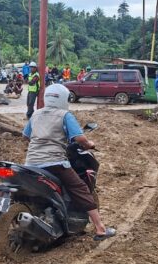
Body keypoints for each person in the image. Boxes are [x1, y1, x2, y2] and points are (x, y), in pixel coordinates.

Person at [22, 84, 116, 241]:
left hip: (31, 163)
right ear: (64, 99)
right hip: (55, 162)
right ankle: (100, 229)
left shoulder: (36, 114)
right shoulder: (65, 115)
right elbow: (80, 138)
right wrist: (90, 144)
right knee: (81, 188)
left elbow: (25, 136)